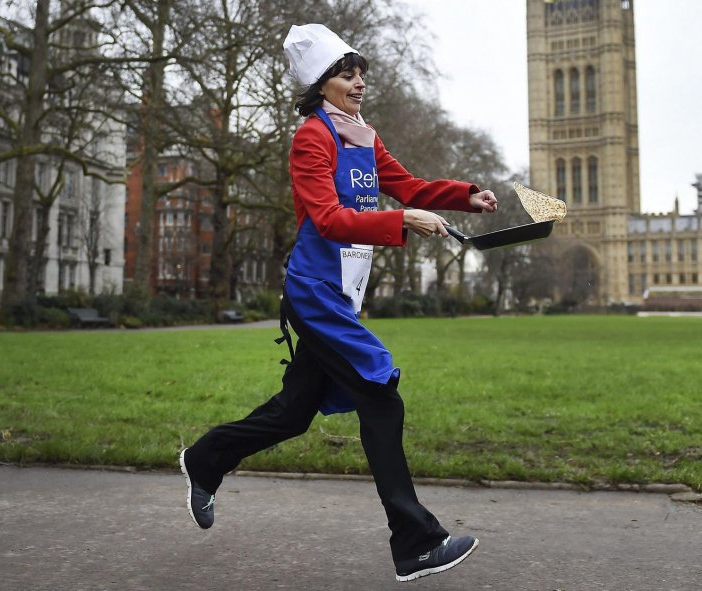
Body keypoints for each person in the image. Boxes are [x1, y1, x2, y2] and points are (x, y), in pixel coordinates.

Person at [178, 23, 496, 583]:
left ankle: (205, 459)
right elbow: (326, 219)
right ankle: (417, 542)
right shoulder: (312, 138)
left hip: (339, 299)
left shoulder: (363, 136)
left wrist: (464, 196)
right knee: (380, 394)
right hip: (315, 295)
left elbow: (411, 187)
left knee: (293, 414)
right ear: (322, 82)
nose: (359, 83)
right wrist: (401, 222)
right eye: (349, 75)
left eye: (361, 75)